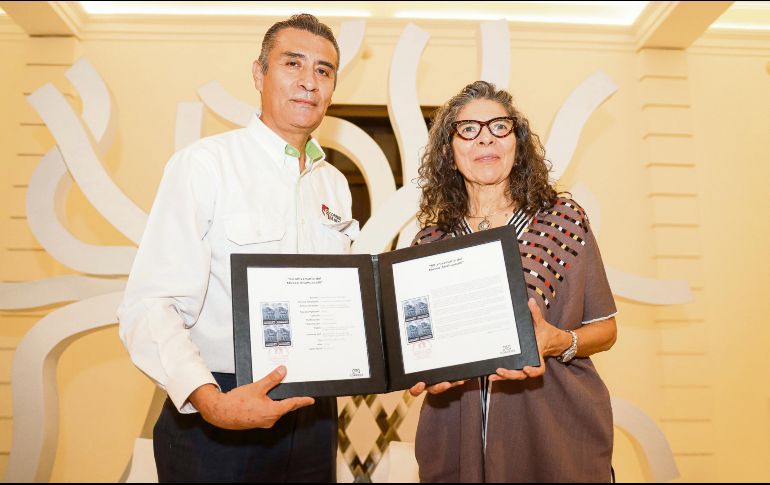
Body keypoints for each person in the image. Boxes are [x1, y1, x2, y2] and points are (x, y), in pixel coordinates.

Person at [118, 14, 356, 482]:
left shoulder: (334, 184)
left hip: (314, 417)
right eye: (293, 63)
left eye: (324, 71)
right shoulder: (204, 165)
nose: (309, 81)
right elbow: (149, 304)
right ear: (258, 74)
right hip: (219, 412)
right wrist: (210, 401)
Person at [408, 80, 618, 482]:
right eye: (468, 129)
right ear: (449, 154)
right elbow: (417, 350)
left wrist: (560, 340)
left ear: (516, 143)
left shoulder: (563, 222)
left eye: (499, 127)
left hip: (554, 435)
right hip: (454, 439)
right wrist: (422, 373)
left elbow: (605, 329)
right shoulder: (429, 244)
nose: (485, 138)